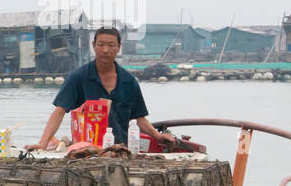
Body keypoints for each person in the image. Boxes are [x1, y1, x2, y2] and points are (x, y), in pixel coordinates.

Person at [26, 26, 180, 150]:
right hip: (87, 152)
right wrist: (43, 143)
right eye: (101, 44)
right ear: (94, 46)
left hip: (121, 150)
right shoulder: (79, 77)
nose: (105, 50)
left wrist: (157, 136)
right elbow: (59, 112)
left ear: (119, 47)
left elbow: (138, 117)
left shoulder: (129, 81)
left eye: (111, 45)